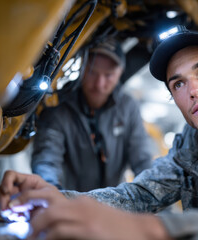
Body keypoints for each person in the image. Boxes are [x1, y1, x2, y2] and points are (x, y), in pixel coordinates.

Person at [0, 26, 198, 240]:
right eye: (178, 83)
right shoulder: (190, 153)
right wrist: (59, 198)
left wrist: (150, 229)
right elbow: (136, 195)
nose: (193, 89)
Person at [31, 39, 154, 191]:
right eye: (92, 72)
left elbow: (142, 160)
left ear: (120, 73)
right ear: (81, 69)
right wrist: (49, 191)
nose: (99, 84)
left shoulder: (128, 107)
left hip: (114, 203)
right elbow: (47, 160)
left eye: (108, 75)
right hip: (71, 203)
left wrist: (152, 196)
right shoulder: (58, 109)